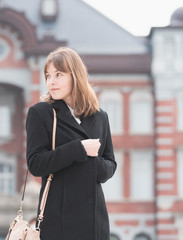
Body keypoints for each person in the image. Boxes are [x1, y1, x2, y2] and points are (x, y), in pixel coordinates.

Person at [26, 47, 117, 240]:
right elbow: (35, 163)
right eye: (48, 75)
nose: (51, 81)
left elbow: (110, 165)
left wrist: (94, 163)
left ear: (75, 75)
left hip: (94, 219)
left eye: (58, 74)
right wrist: (79, 149)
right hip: (58, 219)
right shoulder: (41, 113)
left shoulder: (100, 116)